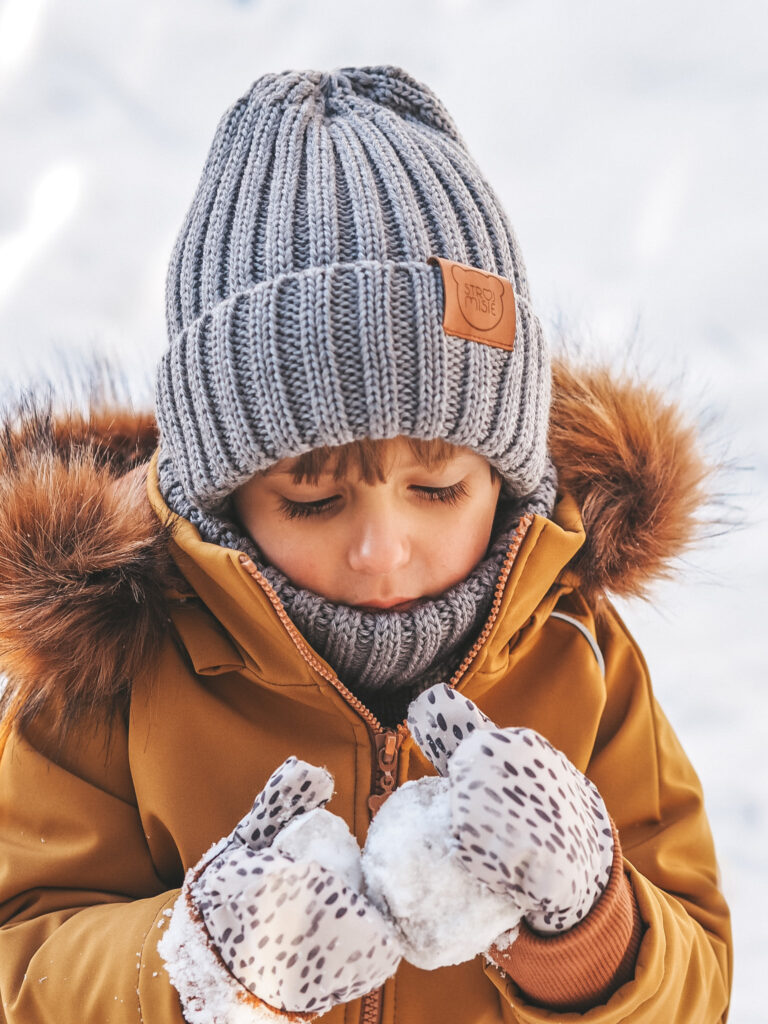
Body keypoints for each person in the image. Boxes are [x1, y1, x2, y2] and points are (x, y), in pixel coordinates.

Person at [0, 66, 731, 1023]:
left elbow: (696, 980)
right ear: (223, 494)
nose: (382, 549)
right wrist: (196, 965)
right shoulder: (111, 669)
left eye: (438, 488)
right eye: (310, 498)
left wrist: (591, 925)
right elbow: (24, 959)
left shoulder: (577, 654)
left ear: (505, 479)